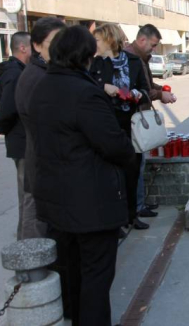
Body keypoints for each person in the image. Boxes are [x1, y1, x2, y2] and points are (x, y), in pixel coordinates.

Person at [27, 25, 136, 326]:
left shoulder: (43, 86)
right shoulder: (85, 93)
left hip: (56, 201)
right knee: (95, 280)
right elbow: (115, 146)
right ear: (86, 56)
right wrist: (128, 151)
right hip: (90, 204)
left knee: (72, 274)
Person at [90, 24, 151, 231]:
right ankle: (113, 221)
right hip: (107, 125)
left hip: (130, 124)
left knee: (132, 171)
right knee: (109, 175)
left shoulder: (133, 61)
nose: (93, 44)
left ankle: (131, 216)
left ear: (110, 39)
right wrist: (103, 87)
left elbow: (146, 89)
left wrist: (137, 94)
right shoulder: (96, 64)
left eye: (97, 40)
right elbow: (85, 89)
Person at [15, 17, 66, 240]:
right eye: (53, 42)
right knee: (34, 218)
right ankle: (31, 269)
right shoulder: (36, 76)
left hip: (47, 161)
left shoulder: (47, 72)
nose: (59, 48)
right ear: (36, 45)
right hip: (40, 161)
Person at [124, 24, 176, 216]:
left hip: (140, 116)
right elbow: (140, 90)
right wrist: (160, 95)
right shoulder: (131, 58)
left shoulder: (142, 57)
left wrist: (162, 90)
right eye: (153, 45)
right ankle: (135, 209)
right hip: (134, 118)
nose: (154, 50)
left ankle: (139, 204)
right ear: (142, 39)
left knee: (140, 162)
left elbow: (147, 84)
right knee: (136, 163)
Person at [0, 32, 34, 240]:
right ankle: (25, 245)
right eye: (33, 46)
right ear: (22, 48)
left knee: (28, 195)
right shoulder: (14, 73)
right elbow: (7, 110)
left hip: (21, 140)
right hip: (21, 142)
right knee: (27, 196)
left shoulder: (20, 70)